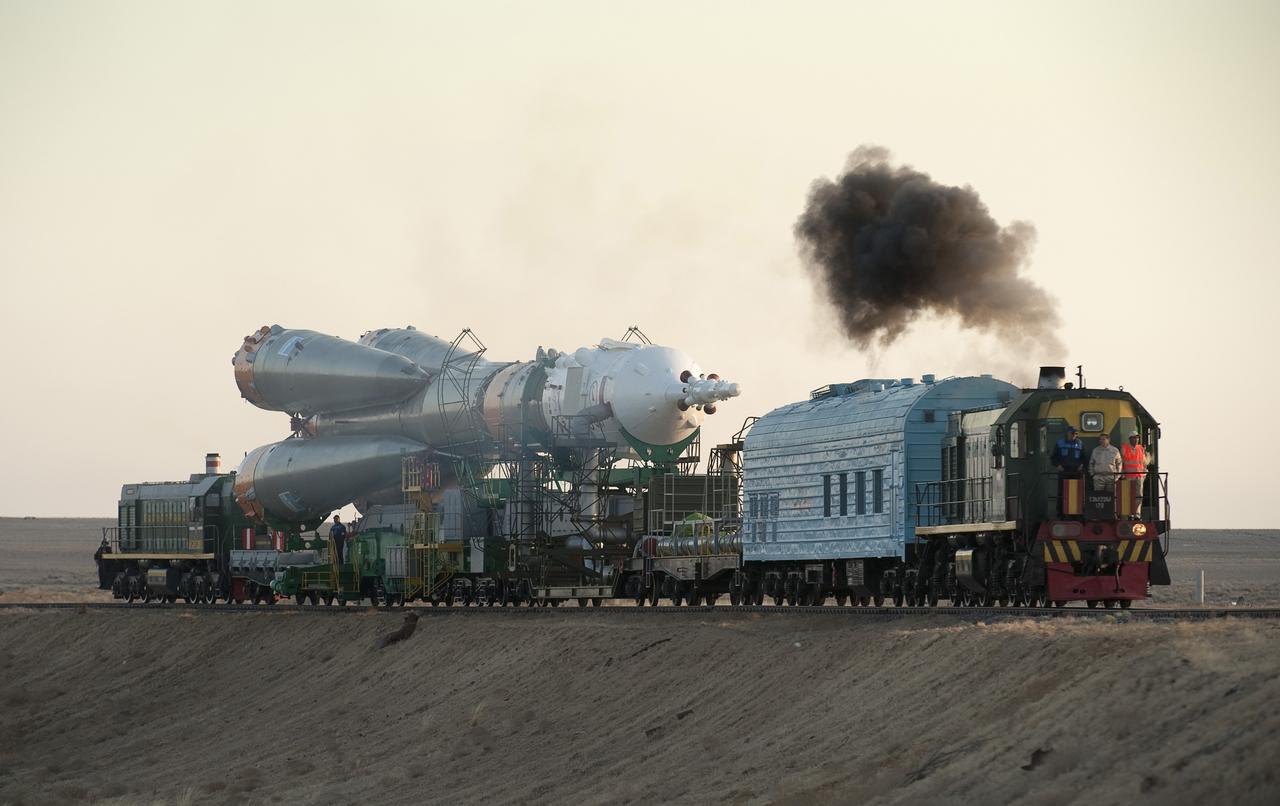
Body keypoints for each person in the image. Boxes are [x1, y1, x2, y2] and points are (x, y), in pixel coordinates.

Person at [1051, 426, 1085, 516]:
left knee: (1077, 492)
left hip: (1076, 472)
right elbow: (1053, 457)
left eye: (1076, 434)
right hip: (1064, 471)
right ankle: (1061, 512)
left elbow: (1084, 457)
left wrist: (1081, 464)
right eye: (1073, 433)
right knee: (1062, 492)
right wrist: (1058, 465)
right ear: (1068, 433)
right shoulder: (1060, 443)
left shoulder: (1080, 443)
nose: (1075, 435)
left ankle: (1077, 513)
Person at [1122, 429, 1149, 518]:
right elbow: (1121, 461)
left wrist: (1144, 473)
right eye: (1134, 438)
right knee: (1129, 495)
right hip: (1129, 476)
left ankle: (1137, 514)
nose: (1136, 439)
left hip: (1139, 476)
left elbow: (1144, 462)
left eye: (1137, 438)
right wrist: (1122, 474)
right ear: (1130, 439)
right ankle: (1130, 514)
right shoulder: (1124, 448)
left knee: (1139, 496)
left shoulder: (1141, 448)